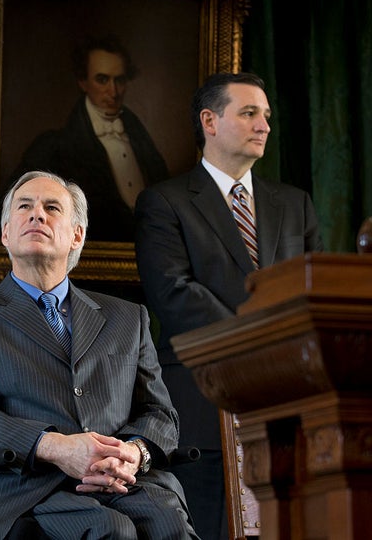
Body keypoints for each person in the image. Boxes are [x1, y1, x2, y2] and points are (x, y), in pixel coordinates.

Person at [0, 170, 199, 539]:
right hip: (23, 485)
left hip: (124, 482)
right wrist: (57, 448)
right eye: (24, 206)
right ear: (6, 233)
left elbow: (160, 414)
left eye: (52, 207)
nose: (37, 214)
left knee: (168, 522)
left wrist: (132, 453)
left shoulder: (128, 317)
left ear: (77, 235)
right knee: (111, 530)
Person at [134, 72, 324, 539]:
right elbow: (173, 293)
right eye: (249, 113)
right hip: (200, 401)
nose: (264, 125)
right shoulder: (164, 202)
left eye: (266, 116)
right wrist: (259, 342)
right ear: (209, 121)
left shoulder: (295, 205)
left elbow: (313, 292)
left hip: (287, 398)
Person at [10, 34, 169, 242]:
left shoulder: (141, 139)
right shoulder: (54, 147)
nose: (113, 91)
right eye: (102, 80)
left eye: (119, 80)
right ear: (83, 82)